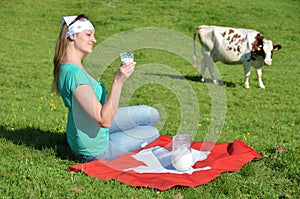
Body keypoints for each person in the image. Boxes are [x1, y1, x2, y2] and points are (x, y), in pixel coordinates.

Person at [52, 14, 160, 162]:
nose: (94, 40)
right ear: (73, 36)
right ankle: (112, 139)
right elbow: (105, 121)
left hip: (90, 128)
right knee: (151, 132)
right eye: (88, 34)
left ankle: (114, 135)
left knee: (151, 114)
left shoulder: (70, 64)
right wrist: (119, 80)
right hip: (93, 149)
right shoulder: (75, 75)